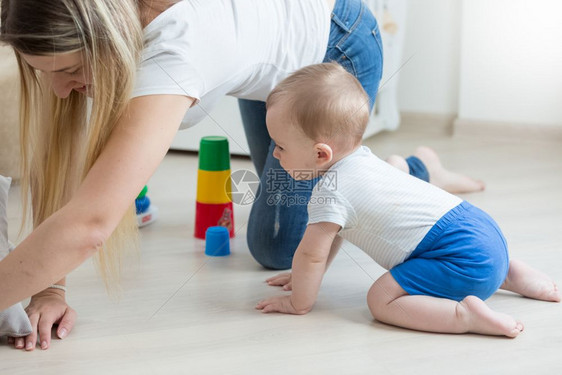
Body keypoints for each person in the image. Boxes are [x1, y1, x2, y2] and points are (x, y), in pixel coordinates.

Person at [0, 0, 483, 350]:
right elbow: (70, 165)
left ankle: (408, 171)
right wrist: (49, 287)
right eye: (44, 73)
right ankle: (386, 171)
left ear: (105, 40)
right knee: (281, 225)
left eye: (69, 70)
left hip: (333, 42)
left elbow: (88, 223)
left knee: (275, 248)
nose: (60, 91)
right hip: (272, 61)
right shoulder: (105, 28)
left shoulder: (173, 55)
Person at [255, 62, 560, 337]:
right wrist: (303, 276)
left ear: (321, 154)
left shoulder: (330, 193)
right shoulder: (364, 159)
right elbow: (330, 239)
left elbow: (312, 256)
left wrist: (298, 302)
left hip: (460, 260)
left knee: (381, 300)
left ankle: (463, 316)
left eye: (280, 146)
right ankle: (510, 273)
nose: (276, 154)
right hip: (483, 233)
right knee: (477, 267)